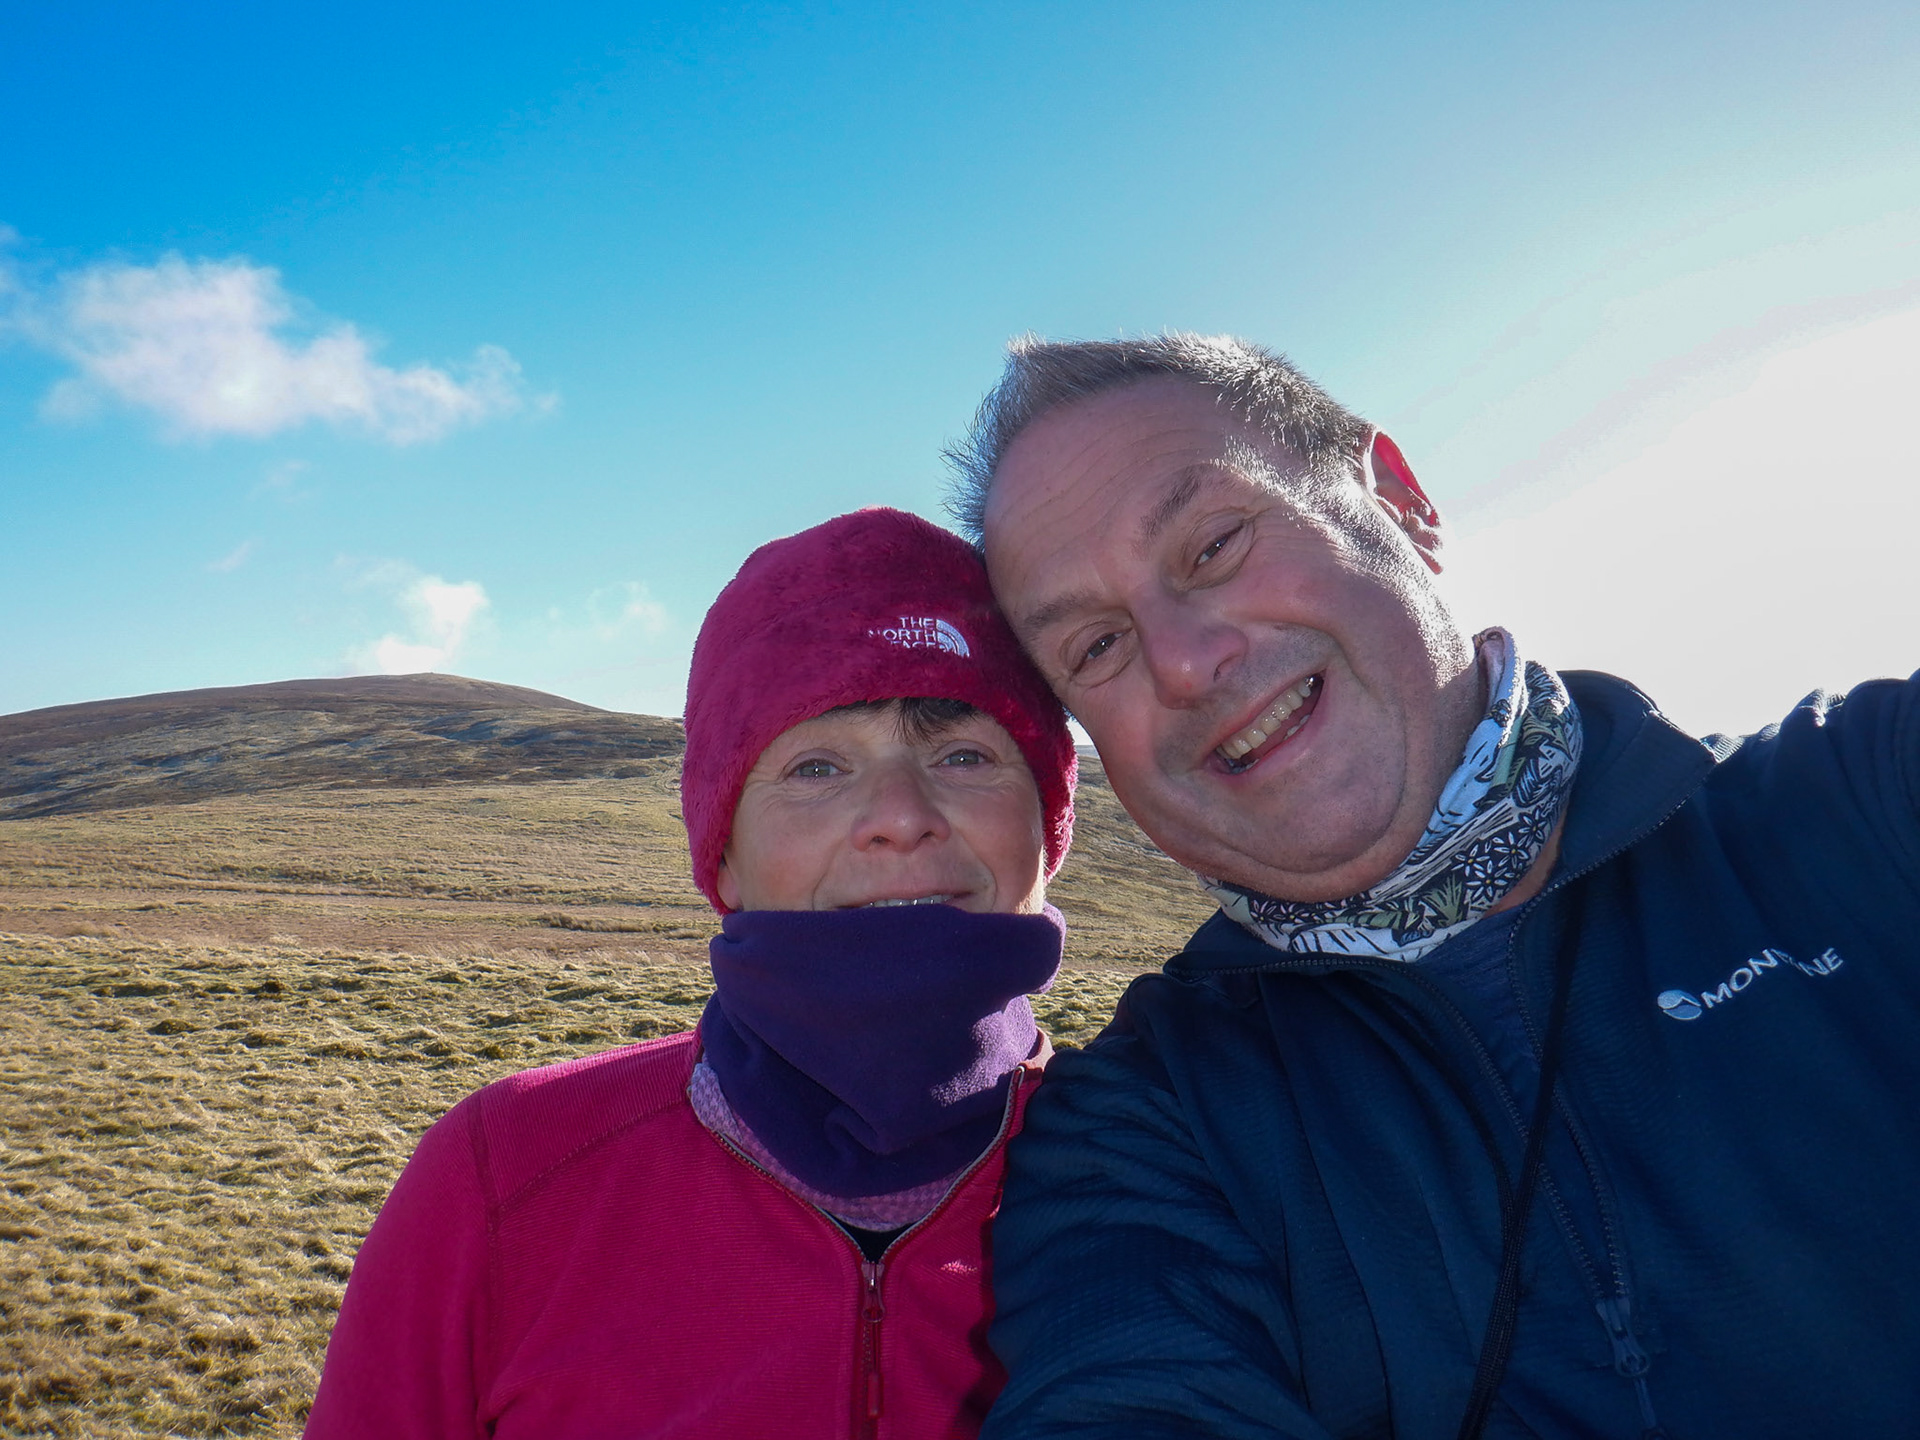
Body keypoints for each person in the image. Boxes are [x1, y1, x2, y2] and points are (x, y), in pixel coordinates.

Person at [949, 333, 1920, 1439]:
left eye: (1214, 544)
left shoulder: (1866, 800)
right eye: (1096, 646)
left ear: (1401, 501)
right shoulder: (1141, 1126)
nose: (1181, 660)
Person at [305, 507, 1077, 1439]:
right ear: (724, 858)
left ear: (1046, 832)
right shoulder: (503, 1173)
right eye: (817, 768)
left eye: (963, 755)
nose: (901, 815)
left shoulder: (1171, 1169)